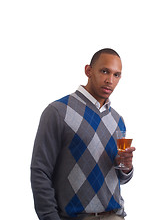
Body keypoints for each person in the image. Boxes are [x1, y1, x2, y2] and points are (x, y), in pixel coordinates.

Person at [31, 48, 136, 220]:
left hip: (115, 216)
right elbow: (40, 171)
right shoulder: (57, 112)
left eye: (116, 75)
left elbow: (121, 178)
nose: (110, 80)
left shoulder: (118, 120)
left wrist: (126, 167)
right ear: (88, 71)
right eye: (104, 71)